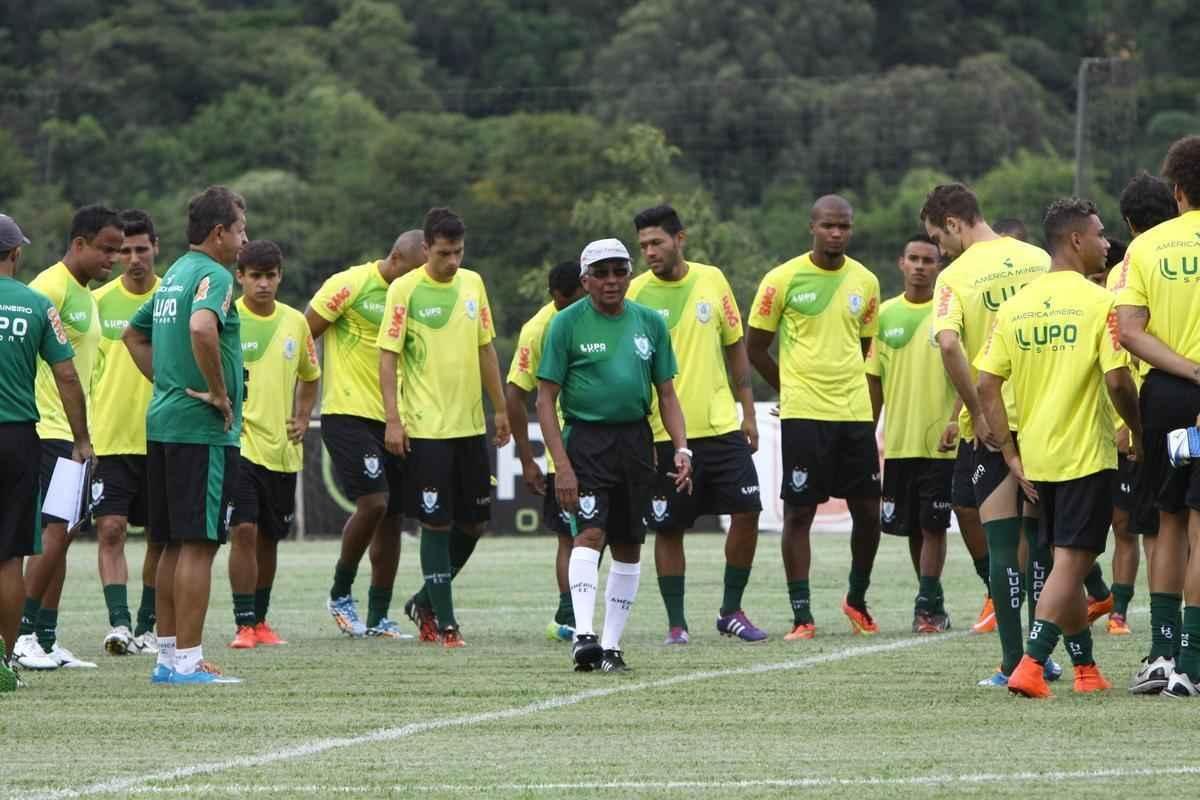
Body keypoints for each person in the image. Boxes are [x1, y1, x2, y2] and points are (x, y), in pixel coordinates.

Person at [977, 198, 1138, 698]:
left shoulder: (1016, 306)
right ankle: (1031, 661)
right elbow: (1116, 381)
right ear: (1075, 241)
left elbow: (986, 384)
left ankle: (1086, 670)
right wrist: (1139, 430)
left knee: (1064, 559)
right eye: (1098, 233)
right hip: (1085, 452)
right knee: (1074, 559)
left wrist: (1008, 451)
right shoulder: (1100, 303)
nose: (1105, 242)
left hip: (1038, 456)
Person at [920, 183, 1066, 687]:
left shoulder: (954, 277)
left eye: (938, 237)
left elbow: (947, 344)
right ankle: (1042, 657)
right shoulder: (1037, 258)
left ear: (954, 224)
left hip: (994, 425)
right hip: (1049, 417)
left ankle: (1011, 664)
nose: (939, 249)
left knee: (1003, 546)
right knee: (1042, 543)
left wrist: (981, 410)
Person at [536, 238, 691, 672]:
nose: (611, 281)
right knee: (589, 534)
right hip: (585, 442)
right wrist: (561, 465)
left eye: (619, 271)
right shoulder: (565, 324)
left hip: (636, 442)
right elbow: (545, 400)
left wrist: (681, 449)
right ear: (585, 281)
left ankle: (611, 646)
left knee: (629, 544)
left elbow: (667, 393)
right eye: (601, 273)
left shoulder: (649, 323)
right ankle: (583, 637)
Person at [123, 185, 248, 685]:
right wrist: (219, 393)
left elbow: (133, 333)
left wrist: (169, 381)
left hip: (165, 423)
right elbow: (202, 329)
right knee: (199, 544)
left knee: (173, 542)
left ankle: (169, 656)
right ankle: (190, 661)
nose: (245, 239)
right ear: (219, 233)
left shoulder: (173, 274)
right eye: (241, 229)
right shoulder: (214, 276)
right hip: (202, 430)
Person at [627, 205, 765, 644]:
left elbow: (735, 344)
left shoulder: (712, 279)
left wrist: (748, 410)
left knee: (747, 513)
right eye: (644, 245)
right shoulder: (633, 295)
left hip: (721, 425)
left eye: (657, 242)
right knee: (669, 527)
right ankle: (676, 624)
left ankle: (730, 611)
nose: (650, 251)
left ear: (680, 239)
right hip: (664, 433)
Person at [747, 195, 882, 639]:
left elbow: (863, 346)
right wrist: (792, 387)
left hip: (854, 412)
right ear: (812, 227)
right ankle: (802, 615)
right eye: (828, 226)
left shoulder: (865, 280)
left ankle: (856, 598)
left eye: (844, 226)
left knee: (867, 511)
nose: (837, 233)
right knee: (799, 512)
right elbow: (755, 347)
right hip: (804, 413)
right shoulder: (781, 279)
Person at [378, 208, 511, 648]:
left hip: (469, 426)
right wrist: (393, 419)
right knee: (435, 524)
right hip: (426, 428)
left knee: (474, 523)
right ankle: (446, 623)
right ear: (426, 249)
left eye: (458, 252)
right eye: (443, 253)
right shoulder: (405, 289)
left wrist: (500, 409)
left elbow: (486, 349)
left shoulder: (473, 284)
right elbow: (388, 356)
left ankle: (424, 599)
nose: (452, 261)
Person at [13, 205, 121, 671]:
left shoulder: (85, 295)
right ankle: (19, 635)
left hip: (74, 433)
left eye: (117, 250)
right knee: (53, 532)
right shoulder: (48, 288)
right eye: (106, 249)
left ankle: (46, 637)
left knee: (66, 532)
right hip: (51, 428)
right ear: (79, 244)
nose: (112, 259)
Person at [866, 234, 987, 633]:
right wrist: (870, 433)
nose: (920, 266)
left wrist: (957, 417)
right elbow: (874, 382)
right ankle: (932, 601)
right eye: (913, 258)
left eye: (928, 260)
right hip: (901, 442)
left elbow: (968, 373)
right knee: (914, 528)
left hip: (943, 443)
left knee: (935, 525)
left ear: (940, 266)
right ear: (901, 263)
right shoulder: (883, 316)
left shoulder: (950, 313)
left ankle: (928, 606)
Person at [306, 230, 424, 638]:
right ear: (395, 257)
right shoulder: (350, 284)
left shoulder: (415, 295)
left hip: (398, 417)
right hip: (348, 412)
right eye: (412, 271)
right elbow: (304, 334)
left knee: (393, 516)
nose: (416, 280)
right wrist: (301, 400)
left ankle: (377, 617)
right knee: (373, 503)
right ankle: (340, 594)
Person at [1116, 135, 1200, 697]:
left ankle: (1163, 655)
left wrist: (1189, 371)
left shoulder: (1144, 249)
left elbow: (1129, 331)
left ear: (1175, 190)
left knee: (1169, 518)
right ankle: (1194, 661)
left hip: (1171, 400)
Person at [0, 214, 92, 689]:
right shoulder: (37, 305)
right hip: (16, 437)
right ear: (16, 255)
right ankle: (4, 661)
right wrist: (81, 439)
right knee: (10, 556)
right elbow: (68, 377)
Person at [226, 241, 320, 649]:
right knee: (243, 530)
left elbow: (310, 375)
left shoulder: (295, 322)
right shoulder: (228, 319)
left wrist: (302, 417)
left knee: (268, 537)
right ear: (240, 277)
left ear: (280, 276)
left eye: (270, 276)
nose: (263, 284)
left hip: (280, 449)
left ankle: (261, 621)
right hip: (238, 444)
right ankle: (243, 622)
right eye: (255, 276)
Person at [1102, 172, 1177, 638]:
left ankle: (1165, 643)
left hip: (1157, 402)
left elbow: (1122, 350)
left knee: (1160, 525)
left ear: (1128, 223)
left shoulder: (1131, 263)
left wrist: (1127, 424)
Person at [91, 209, 163, 656]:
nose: (133, 258)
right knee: (111, 530)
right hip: (112, 438)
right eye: (124, 251)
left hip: (161, 438)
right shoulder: (97, 304)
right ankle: (119, 625)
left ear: (157, 247)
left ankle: (149, 625)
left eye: (141, 249)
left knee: (162, 537)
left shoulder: (173, 298)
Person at [504, 260, 586, 642]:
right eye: (576, 299)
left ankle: (581, 611)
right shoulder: (537, 330)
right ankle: (566, 615)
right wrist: (527, 457)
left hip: (608, 443)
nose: (584, 303)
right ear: (557, 297)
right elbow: (515, 395)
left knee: (611, 534)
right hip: (564, 451)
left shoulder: (602, 315)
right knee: (569, 537)